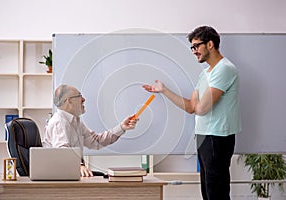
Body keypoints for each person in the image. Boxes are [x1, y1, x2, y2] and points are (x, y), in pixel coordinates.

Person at [143, 26, 241, 200]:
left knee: (216, 192)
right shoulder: (206, 73)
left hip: (217, 138)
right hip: (204, 137)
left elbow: (202, 108)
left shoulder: (224, 69)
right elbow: (191, 107)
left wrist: (199, 104)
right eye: (192, 47)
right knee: (207, 191)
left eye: (196, 46)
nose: (194, 51)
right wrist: (164, 90)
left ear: (210, 44)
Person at [42, 84, 138, 177]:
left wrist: (122, 127)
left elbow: (97, 142)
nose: (84, 99)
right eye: (79, 96)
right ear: (69, 101)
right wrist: (79, 165)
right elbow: (62, 151)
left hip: (71, 175)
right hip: (61, 178)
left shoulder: (76, 121)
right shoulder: (59, 122)